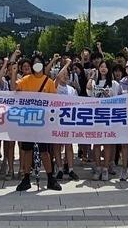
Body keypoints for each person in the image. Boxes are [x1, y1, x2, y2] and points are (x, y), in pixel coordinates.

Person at [13, 56, 62, 192]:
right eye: (35, 63)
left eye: (39, 63)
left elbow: (54, 102)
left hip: (43, 122)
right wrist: (13, 72)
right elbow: (14, 88)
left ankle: (50, 179)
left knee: (44, 151)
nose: (37, 65)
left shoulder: (49, 82)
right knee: (27, 150)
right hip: (28, 120)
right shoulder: (25, 80)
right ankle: (26, 178)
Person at [87, 59, 117, 181]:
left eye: (105, 67)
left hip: (108, 116)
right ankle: (98, 166)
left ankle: (105, 168)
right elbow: (89, 91)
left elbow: (118, 99)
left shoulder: (114, 83)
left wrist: (108, 95)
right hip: (96, 116)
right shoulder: (95, 83)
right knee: (97, 143)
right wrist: (92, 77)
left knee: (107, 143)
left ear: (109, 69)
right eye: (101, 66)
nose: (103, 68)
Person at [51, 66, 79, 181]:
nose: (65, 76)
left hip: (68, 121)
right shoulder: (55, 86)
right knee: (57, 145)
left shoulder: (72, 90)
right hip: (56, 120)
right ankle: (60, 169)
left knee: (69, 145)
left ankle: (71, 169)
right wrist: (67, 64)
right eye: (63, 74)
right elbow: (57, 78)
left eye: (67, 74)